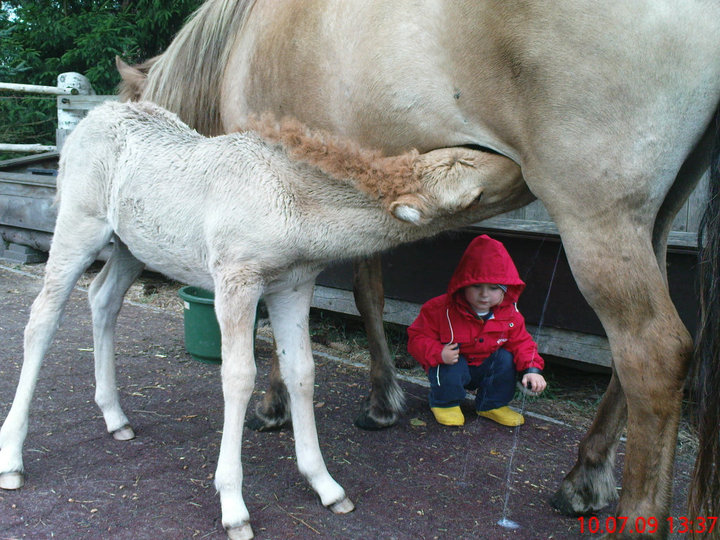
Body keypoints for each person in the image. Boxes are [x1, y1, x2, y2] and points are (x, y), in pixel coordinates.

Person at [407, 235, 547, 427]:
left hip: (485, 366)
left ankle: (492, 404)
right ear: (462, 284)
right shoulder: (439, 309)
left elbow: (523, 343)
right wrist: (438, 352)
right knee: (448, 360)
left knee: (506, 358)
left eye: (493, 288)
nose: (484, 294)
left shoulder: (511, 314)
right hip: (454, 366)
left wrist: (532, 370)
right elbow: (417, 338)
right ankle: (445, 403)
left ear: (507, 290)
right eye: (476, 286)